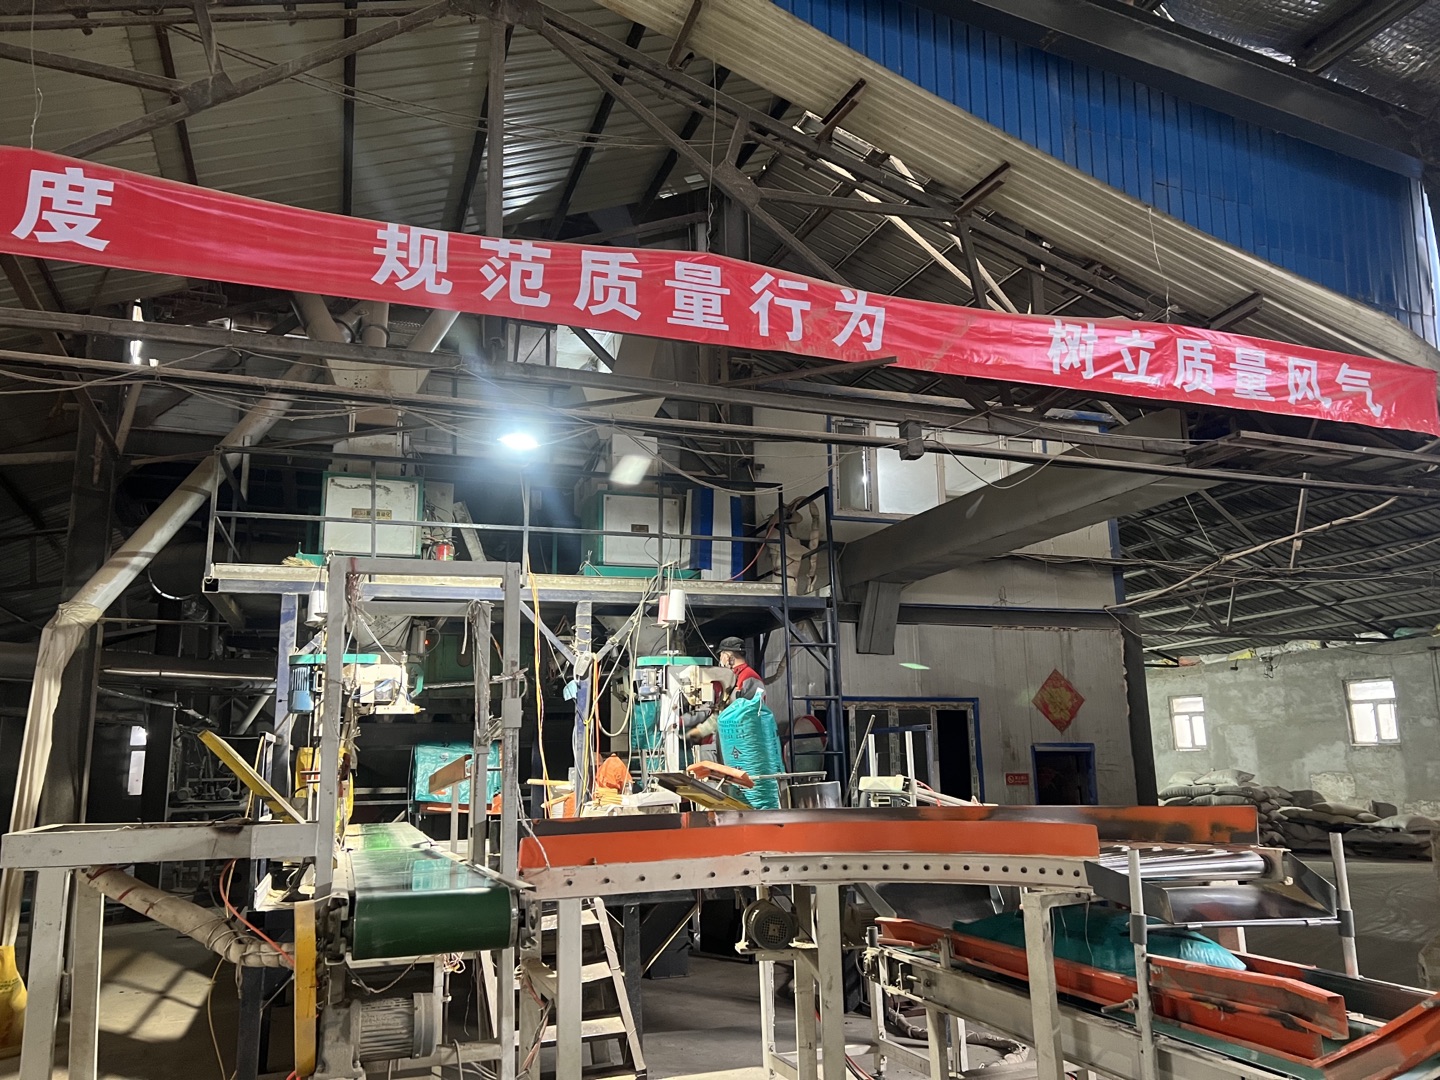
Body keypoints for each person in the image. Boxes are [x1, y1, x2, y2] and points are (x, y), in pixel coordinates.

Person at [686, 636, 784, 809]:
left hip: (746, 742)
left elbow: (746, 714)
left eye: (721, 655)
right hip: (731, 742)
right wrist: (701, 730)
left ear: (728, 656)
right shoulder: (732, 678)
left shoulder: (749, 678)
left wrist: (704, 729)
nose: (721, 660)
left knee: (749, 787)